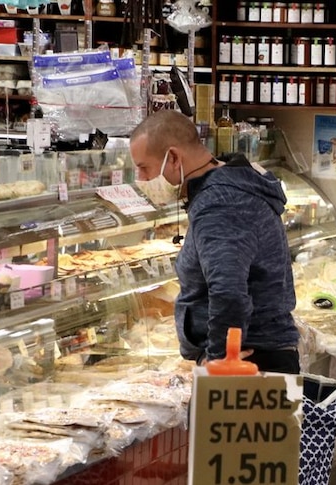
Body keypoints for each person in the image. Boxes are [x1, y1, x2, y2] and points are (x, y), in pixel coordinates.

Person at [129, 110, 300, 374]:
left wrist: (220, 358)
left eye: (143, 168)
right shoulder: (226, 185)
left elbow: (227, 288)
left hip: (250, 365)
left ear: (173, 158)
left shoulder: (219, 203)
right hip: (257, 357)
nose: (141, 180)